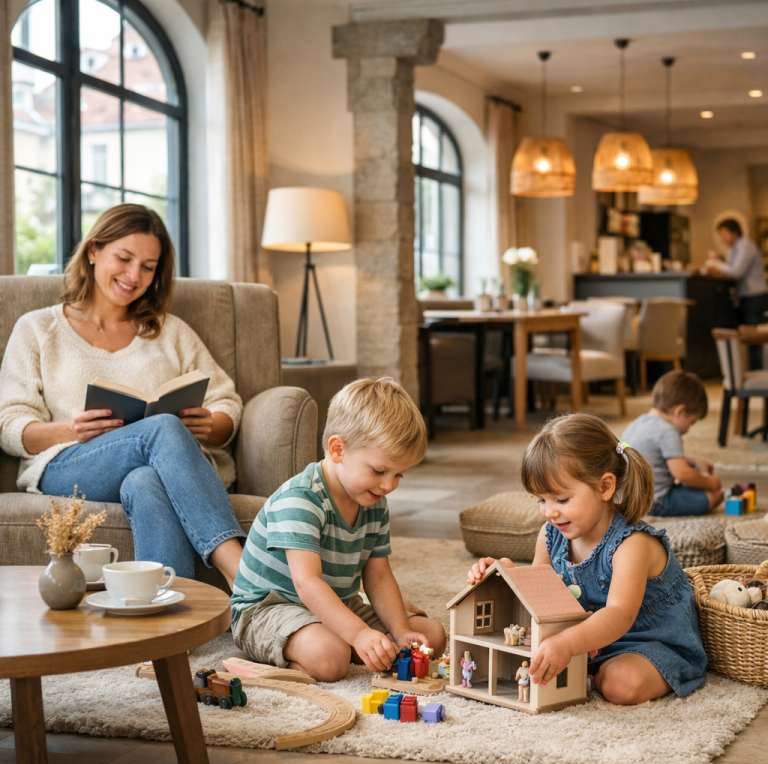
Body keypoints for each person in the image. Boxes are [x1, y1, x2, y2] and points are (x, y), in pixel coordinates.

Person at [0, 204, 244, 584]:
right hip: (70, 465)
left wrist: (209, 425)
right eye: (125, 258)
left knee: (145, 480)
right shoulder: (37, 328)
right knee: (161, 428)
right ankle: (240, 570)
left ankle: (168, 623)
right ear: (94, 251)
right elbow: (11, 424)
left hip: (153, 464)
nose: (134, 275)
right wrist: (72, 430)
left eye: (148, 267)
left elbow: (225, 400)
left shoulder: (170, 331)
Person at [468, 412, 707, 706]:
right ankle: (586, 668)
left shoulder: (632, 544)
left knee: (621, 685)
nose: (548, 512)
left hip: (652, 643)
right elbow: (540, 593)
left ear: (605, 487)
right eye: (541, 500)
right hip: (589, 641)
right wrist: (505, 573)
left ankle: (592, 674)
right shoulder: (549, 535)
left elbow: (619, 614)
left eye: (561, 499)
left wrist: (568, 643)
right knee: (532, 656)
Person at [230, 377, 446, 682]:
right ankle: (276, 659)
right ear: (337, 449)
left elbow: (379, 575)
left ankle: (344, 641)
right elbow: (307, 584)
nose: (389, 485)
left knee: (431, 635)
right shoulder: (301, 499)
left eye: (399, 474)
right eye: (379, 471)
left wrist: (400, 631)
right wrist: (359, 634)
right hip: (270, 610)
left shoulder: (373, 501)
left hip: (336, 604)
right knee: (331, 658)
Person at [622, 371, 723, 517]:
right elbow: (682, 474)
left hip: (628, 499)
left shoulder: (635, 424)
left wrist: (692, 461)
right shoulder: (667, 431)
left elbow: (644, 454)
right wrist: (710, 483)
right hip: (656, 502)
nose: (688, 429)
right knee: (715, 495)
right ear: (680, 411)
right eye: (691, 422)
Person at [704, 218, 768, 369]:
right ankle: (753, 378)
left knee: (754, 338)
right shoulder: (734, 248)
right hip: (747, 297)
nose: (722, 239)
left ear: (734, 233)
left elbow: (737, 271)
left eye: (724, 234)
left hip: (755, 297)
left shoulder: (745, 245)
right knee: (747, 338)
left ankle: (759, 379)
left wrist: (715, 263)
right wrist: (719, 260)